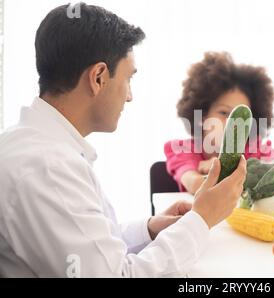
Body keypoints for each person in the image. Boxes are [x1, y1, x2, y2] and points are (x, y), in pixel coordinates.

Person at [0, 3, 246, 278]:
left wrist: (150, 229)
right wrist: (201, 220)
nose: (130, 96)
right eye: (128, 79)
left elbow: (92, 248)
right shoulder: (47, 167)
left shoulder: (36, 145)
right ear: (98, 77)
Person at [165, 52, 274, 194]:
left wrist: (251, 169)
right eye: (224, 113)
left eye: (242, 117)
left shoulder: (255, 151)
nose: (233, 123)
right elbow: (195, 184)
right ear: (203, 116)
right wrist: (220, 169)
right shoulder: (182, 150)